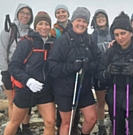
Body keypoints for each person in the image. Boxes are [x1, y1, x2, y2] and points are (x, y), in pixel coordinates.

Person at [48, 7, 101, 135]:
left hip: (84, 88)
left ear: (87, 24)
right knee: (67, 123)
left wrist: (89, 66)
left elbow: (99, 61)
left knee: (92, 118)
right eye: (78, 20)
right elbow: (52, 67)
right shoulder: (63, 41)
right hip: (65, 90)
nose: (81, 24)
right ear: (72, 21)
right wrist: (72, 67)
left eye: (84, 21)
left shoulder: (90, 40)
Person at [98, 11, 133, 135]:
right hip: (115, 100)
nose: (120, 37)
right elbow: (99, 76)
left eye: (123, 33)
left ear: (131, 33)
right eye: (116, 34)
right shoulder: (110, 52)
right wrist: (108, 72)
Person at [4, 11, 56, 135]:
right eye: (40, 24)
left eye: (47, 24)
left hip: (45, 89)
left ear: (50, 26)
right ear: (35, 26)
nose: (44, 27)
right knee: (15, 123)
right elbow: (13, 67)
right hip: (25, 89)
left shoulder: (53, 44)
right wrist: (28, 80)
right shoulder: (26, 42)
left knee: (50, 123)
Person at [0, 3, 33, 134]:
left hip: (27, 71)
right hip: (10, 71)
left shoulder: (31, 32)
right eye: (22, 13)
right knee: (13, 101)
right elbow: (1, 52)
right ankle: (15, 129)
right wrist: (4, 72)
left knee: (26, 101)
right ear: (17, 14)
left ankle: (26, 128)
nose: (25, 16)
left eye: (27, 14)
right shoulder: (8, 30)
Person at [50, 4, 81, 134]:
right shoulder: (53, 32)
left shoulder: (75, 27)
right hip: (61, 70)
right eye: (58, 12)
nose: (61, 14)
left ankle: (73, 126)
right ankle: (62, 126)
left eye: (63, 12)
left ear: (68, 14)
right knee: (62, 103)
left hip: (75, 71)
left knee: (76, 100)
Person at [90, 9, 112, 135]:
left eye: (103, 16)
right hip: (99, 73)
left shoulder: (113, 33)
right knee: (101, 101)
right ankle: (102, 126)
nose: (100, 18)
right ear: (95, 20)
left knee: (114, 99)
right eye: (98, 17)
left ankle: (115, 122)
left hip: (113, 71)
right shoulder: (92, 36)